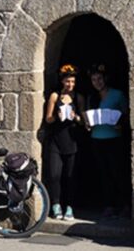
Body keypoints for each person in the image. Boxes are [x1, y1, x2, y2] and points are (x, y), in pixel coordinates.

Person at [86, 64, 128, 219]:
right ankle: (108, 205)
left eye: (99, 79)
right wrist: (88, 124)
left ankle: (124, 204)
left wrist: (121, 124)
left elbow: (127, 114)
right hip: (97, 139)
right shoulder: (92, 98)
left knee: (117, 173)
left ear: (105, 79)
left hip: (114, 139)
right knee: (104, 174)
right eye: (94, 79)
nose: (97, 82)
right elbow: (87, 117)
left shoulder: (117, 95)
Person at [43, 64, 84, 220]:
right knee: (54, 174)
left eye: (73, 82)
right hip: (56, 141)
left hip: (71, 141)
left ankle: (69, 206)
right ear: (62, 81)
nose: (70, 85)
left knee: (70, 176)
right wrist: (56, 116)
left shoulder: (78, 97)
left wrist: (75, 117)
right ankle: (56, 204)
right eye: (68, 81)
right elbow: (48, 118)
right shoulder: (55, 96)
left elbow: (82, 120)